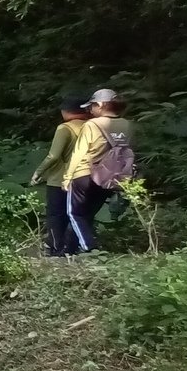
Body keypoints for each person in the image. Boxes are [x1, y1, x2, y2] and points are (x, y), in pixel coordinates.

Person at [63, 89, 134, 253]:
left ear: (101, 105)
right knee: (87, 215)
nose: (90, 110)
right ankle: (70, 249)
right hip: (110, 177)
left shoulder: (91, 124)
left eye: (92, 106)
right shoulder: (128, 124)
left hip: (84, 174)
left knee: (74, 214)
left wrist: (67, 177)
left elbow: (79, 152)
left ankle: (90, 248)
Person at [31, 96, 91, 256]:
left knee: (56, 214)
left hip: (60, 178)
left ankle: (56, 248)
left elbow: (54, 156)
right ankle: (73, 248)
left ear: (66, 111)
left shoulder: (65, 128)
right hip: (86, 177)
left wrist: (39, 172)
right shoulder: (92, 126)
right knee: (79, 214)